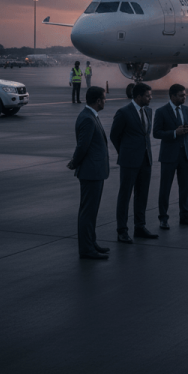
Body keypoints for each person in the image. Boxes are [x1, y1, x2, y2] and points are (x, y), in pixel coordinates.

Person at [110, 82, 159, 244]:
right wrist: (124, 152)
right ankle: (122, 230)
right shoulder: (123, 112)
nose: (150, 98)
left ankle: (140, 226)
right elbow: (114, 135)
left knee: (142, 195)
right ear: (138, 97)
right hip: (129, 161)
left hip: (146, 159)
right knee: (125, 195)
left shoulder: (149, 111)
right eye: (148, 96)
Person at [67, 86, 111, 260]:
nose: (105, 101)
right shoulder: (87, 118)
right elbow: (82, 146)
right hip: (90, 172)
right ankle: (86, 249)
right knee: (87, 212)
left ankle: (91, 242)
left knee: (92, 211)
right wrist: (74, 162)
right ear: (98, 101)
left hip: (95, 172)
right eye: (104, 99)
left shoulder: (91, 116)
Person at [153, 83, 188, 229]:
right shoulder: (161, 111)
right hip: (169, 156)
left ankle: (185, 215)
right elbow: (156, 133)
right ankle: (163, 218)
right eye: (181, 95)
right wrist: (174, 133)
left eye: (185, 95)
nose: (184, 97)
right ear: (172, 96)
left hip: (185, 154)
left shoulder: (187, 110)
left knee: (184, 188)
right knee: (165, 188)